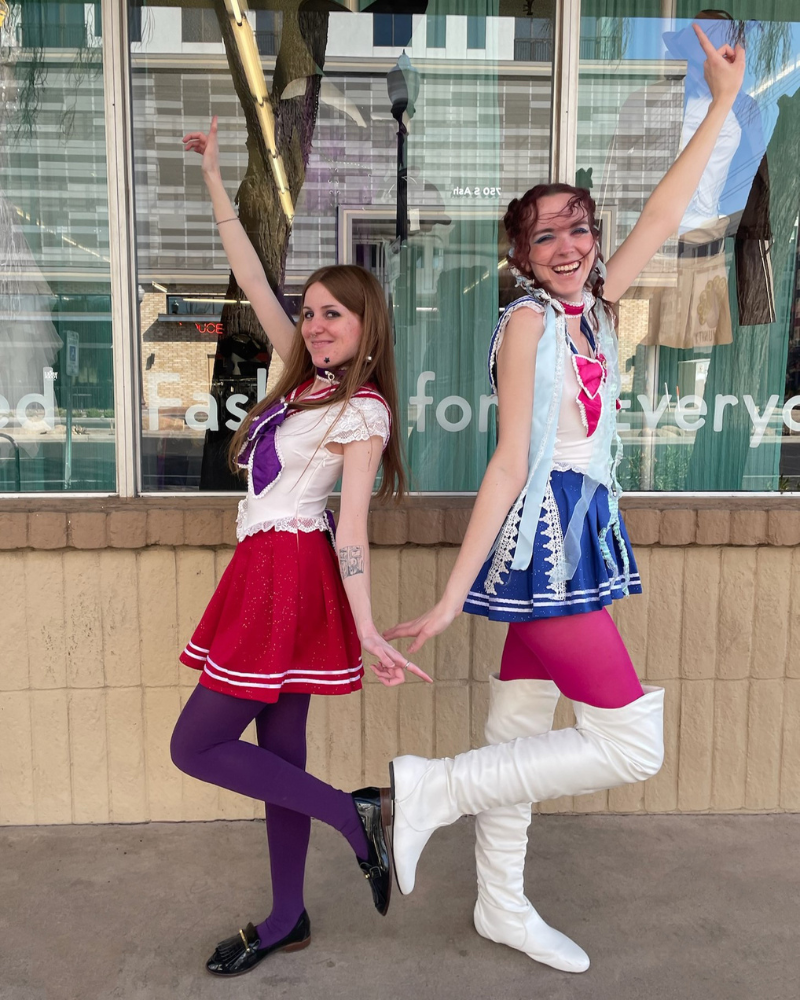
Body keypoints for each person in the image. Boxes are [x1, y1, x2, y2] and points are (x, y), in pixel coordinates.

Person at [383, 25, 745, 975]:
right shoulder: (530, 327)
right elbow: (506, 464)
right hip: (546, 539)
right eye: (548, 234)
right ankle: (432, 788)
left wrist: (719, 106)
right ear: (520, 253)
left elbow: (664, 217)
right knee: (632, 746)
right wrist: (458, 591)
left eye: (581, 226)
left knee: (520, 728)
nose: (574, 245)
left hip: (576, 529)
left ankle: (501, 902)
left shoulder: (593, 308)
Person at [171, 116, 431, 978]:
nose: (316, 324)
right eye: (311, 310)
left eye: (335, 314)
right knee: (278, 757)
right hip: (262, 571)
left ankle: (355, 816)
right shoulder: (300, 379)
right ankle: (289, 915)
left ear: (368, 327)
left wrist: (366, 629)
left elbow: (348, 530)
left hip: (293, 573)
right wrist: (215, 178)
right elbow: (249, 271)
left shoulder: (363, 411)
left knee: (195, 745)